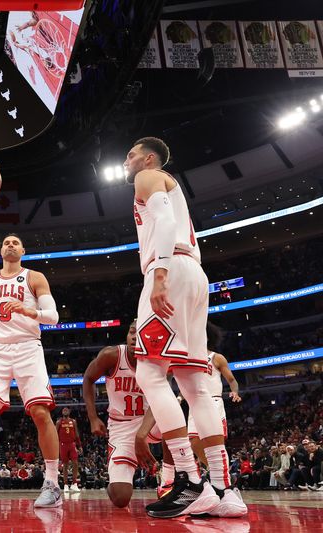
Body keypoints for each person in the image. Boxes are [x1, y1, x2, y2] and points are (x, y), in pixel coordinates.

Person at [124, 137, 246, 518]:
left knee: (149, 371)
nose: (126, 162)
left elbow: (164, 221)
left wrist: (159, 274)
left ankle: (189, 480)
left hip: (171, 270)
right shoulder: (167, 184)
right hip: (194, 274)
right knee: (194, 386)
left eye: (130, 155)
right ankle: (223, 489)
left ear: (148, 158)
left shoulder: (149, 176)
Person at [0, 234, 61, 509]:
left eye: (16, 242)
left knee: (41, 412)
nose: (11, 245)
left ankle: (52, 483)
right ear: (0, 249)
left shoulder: (35, 277)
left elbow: (53, 316)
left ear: (23, 250)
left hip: (28, 347)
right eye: (6, 242)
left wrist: (30, 312)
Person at [83, 320, 163, 507]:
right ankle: (117, 476)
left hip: (150, 418)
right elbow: (88, 378)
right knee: (121, 498)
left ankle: (169, 477)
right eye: (131, 332)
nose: (134, 337)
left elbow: (161, 400)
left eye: (140, 333)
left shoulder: (158, 360)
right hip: (121, 425)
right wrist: (93, 418)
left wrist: (142, 434)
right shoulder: (111, 355)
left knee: (173, 418)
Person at [187, 323, 241, 467]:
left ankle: (224, 477)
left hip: (213, 401)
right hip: (195, 402)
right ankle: (215, 470)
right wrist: (180, 397)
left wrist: (234, 391)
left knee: (216, 443)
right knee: (194, 442)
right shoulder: (189, 359)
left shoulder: (216, 357)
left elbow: (232, 380)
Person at [56, 408, 82, 492]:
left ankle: (74, 484)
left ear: (70, 412)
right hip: (63, 444)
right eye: (63, 410)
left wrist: (80, 445)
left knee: (75, 463)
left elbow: (77, 434)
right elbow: (55, 434)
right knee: (65, 465)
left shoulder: (73, 421)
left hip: (72, 444)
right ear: (62, 412)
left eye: (67, 410)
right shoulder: (59, 422)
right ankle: (65, 484)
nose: (65, 411)